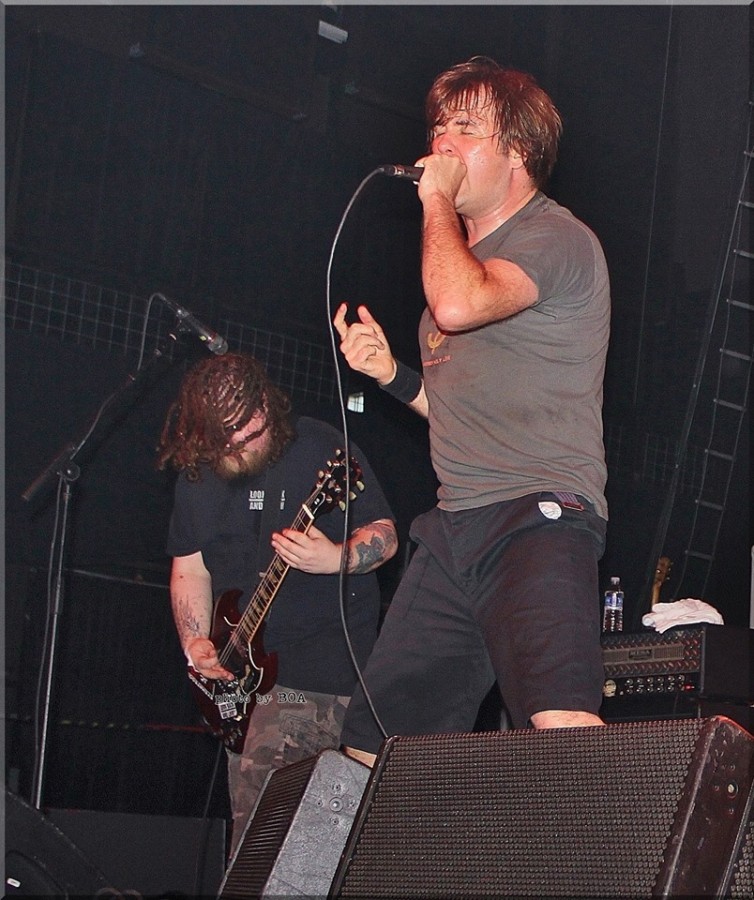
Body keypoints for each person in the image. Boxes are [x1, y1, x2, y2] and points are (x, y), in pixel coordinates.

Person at [333, 56, 611, 766]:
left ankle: (627, 832)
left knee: (560, 723)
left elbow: (458, 304)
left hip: (536, 516)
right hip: (456, 526)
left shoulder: (554, 238)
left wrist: (434, 199)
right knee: (375, 746)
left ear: (518, 150)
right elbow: (456, 409)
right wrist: (390, 374)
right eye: (437, 128)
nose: (441, 143)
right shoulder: (455, 273)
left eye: (464, 128)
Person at [157, 352, 398, 852]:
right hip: (242, 687)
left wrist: (336, 557)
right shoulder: (196, 479)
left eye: (249, 434)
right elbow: (190, 568)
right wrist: (195, 644)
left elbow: (385, 534)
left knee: (275, 840)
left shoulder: (320, 446)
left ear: (266, 407)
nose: (239, 449)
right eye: (226, 443)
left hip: (319, 676)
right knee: (266, 840)